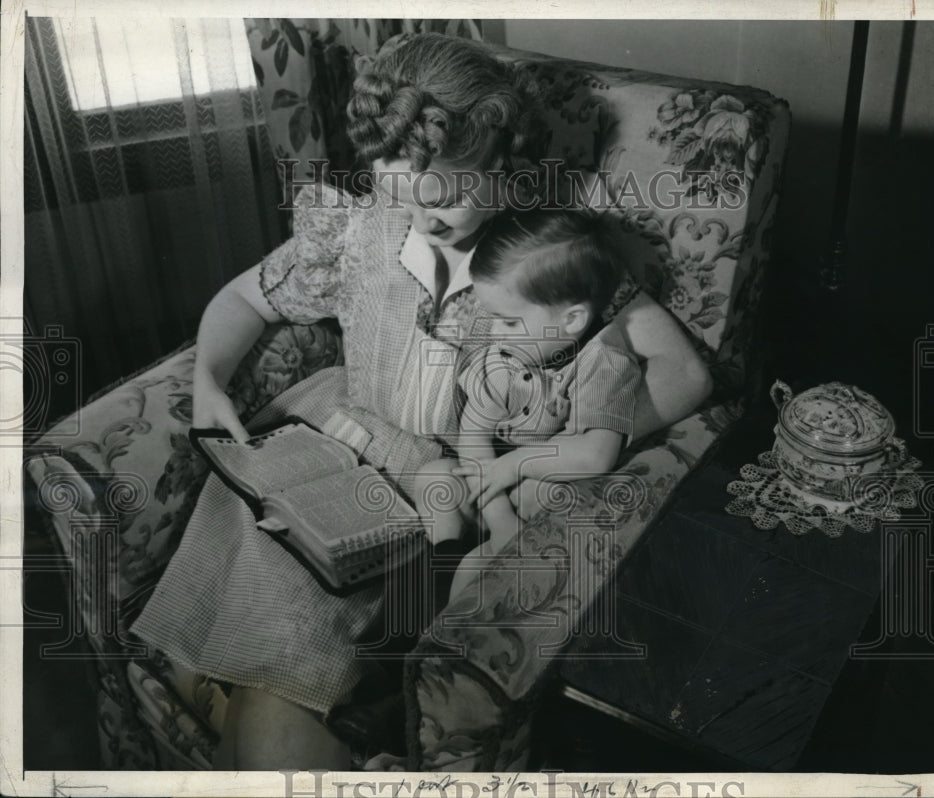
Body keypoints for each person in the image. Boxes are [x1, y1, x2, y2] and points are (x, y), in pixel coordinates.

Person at [130, 32, 713, 771]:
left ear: (502, 161)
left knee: (280, 694)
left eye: (451, 196)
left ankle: (238, 708)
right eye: (401, 194)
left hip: (430, 502)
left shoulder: (543, 253)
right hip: (331, 457)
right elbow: (249, 296)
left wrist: (553, 444)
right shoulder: (359, 227)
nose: (425, 219)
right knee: (244, 666)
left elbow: (686, 374)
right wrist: (208, 380)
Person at [414, 207, 641, 600]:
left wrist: (512, 466)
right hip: (494, 483)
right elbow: (473, 434)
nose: (494, 334)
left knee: (479, 568)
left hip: (542, 490)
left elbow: (596, 455)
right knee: (433, 477)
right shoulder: (502, 355)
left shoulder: (606, 362)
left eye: (508, 322)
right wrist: (499, 516)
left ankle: (446, 614)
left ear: (571, 320)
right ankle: (444, 558)